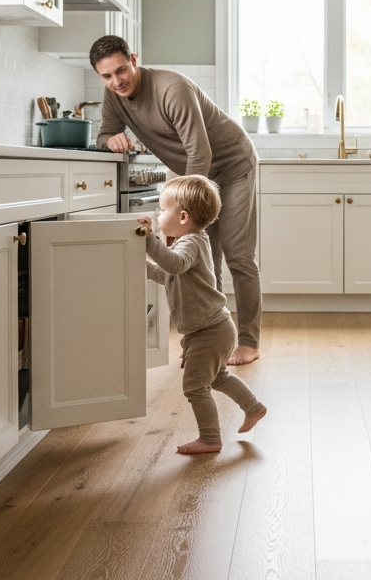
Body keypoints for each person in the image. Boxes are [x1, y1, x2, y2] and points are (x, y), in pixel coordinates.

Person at [91, 35, 264, 365]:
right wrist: (110, 138)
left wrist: (185, 211)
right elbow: (104, 134)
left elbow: (201, 152)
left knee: (237, 253)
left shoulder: (172, 89)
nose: (116, 81)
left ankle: (248, 341)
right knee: (205, 256)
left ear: (134, 60)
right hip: (195, 174)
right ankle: (208, 340)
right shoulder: (114, 95)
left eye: (121, 70)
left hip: (232, 165)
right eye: (107, 76)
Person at [138, 175, 267, 454]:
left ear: (183, 217)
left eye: (162, 209)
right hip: (214, 327)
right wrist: (146, 267)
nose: (159, 214)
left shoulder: (189, 244)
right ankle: (253, 407)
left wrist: (149, 240)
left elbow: (174, 265)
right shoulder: (191, 241)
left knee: (195, 387)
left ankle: (210, 438)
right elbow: (170, 275)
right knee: (218, 377)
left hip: (208, 331)